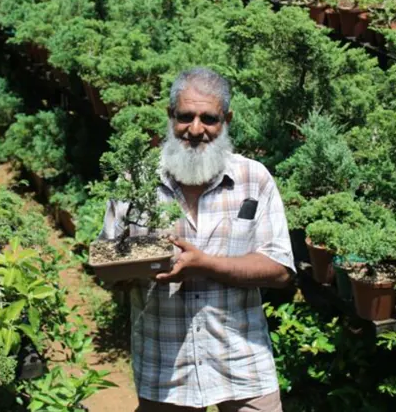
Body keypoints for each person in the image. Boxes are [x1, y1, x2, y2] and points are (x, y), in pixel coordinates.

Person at [99, 67, 295, 412]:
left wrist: (203, 265)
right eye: (185, 117)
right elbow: (105, 264)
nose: (195, 129)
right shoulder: (134, 182)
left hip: (243, 363)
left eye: (209, 119)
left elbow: (280, 270)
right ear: (169, 115)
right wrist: (138, 265)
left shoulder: (253, 179)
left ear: (227, 119)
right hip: (165, 365)